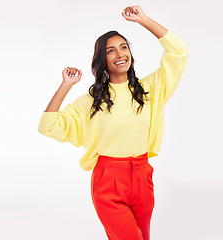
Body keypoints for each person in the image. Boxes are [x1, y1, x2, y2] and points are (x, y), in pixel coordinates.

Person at [38, 5, 189, 240]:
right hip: (108, 181)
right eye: (111, 51)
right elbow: (47, 126)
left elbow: (179, 51)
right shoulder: (91, 101)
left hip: (142, 177)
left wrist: (144, 20)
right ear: (102, 59)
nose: (120, 55)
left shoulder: (151, 88)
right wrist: (66, 84)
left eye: (124, 47)